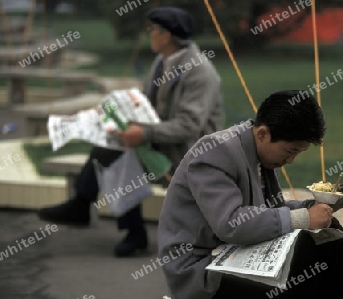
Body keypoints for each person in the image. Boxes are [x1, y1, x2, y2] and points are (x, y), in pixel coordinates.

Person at [38, 7, 223, 257]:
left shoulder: (199, 71)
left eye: (152, 30)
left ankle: (99, 214)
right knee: (111, 143)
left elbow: (189, 125)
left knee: (118, 155)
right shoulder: (162, 61)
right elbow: (146, 106)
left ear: (166, 35)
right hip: (162, 143)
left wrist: (143, 134)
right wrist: (118, 117)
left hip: (189, 153)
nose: (149, 35)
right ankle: (109, 220)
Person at [158, 90, 343, 298]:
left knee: (329, 229)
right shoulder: (215, 151)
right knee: (303, 265)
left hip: (236, 252)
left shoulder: (261, 154)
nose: (291, 161)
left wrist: (318, 206)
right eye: (290, 151)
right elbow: (232, 224)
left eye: (298, 153)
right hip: (203, 269)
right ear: (262, 133)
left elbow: (270, 213)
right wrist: (304, 218)